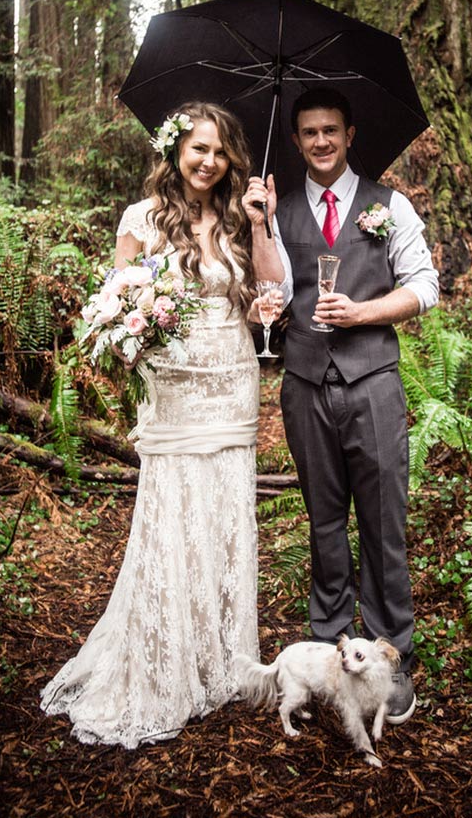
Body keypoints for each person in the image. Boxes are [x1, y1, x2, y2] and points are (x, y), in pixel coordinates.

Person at [41, 101, 279, 748]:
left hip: (233, 384)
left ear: (232, 159)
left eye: (220, 151)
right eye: (198, 148)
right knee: (173, 515)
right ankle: (163, 663)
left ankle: (218, 658)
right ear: (175, 150)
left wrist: (262, 226)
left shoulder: (238, 217)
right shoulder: (140, 220)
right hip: (173, 393)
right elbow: (111, 313)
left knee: (224, 513)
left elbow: (272, 294)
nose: (208, 161)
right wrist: (137, 326)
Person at [245, 87, 439, 726]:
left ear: (350, 134)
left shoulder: (390, 205)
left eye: (331, 130)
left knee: (384, 521)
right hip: (303, 384)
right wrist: (259, 224)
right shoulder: (281, 208)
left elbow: (424, 287)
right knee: (324, 520)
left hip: (374, 384)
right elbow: (273, 287)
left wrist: (364, 312)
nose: (320, 141)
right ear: (296, 140)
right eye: (308, 133)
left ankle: (390, 658)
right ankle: (331, 644)